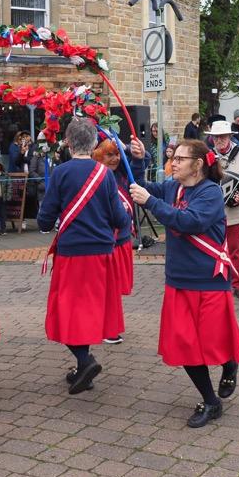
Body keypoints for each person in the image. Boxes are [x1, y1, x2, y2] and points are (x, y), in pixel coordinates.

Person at [129, 139, 239, 428]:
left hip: (208, 280)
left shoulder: (210, 193)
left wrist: (151, 202)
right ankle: (211, 401)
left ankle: (229, 363)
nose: (174, 162)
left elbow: (189, 221)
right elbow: (140, 184)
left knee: (214, 343)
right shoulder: (172, 186)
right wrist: (139, 159)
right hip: (179, 279)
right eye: (173, 157)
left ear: (198, 164)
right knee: (187, 346)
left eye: (180, 158)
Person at [37, 118, 129, 395]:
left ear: (67, 141)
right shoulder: (105, 175)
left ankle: (85, 361)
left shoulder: (61, 173)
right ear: (93, 143)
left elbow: (43, 221)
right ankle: (83, 369)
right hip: (102, 253)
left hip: (72, 252)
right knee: (89, 310)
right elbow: (119, 219)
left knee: (66, 311)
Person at [91, 136, 147, 345]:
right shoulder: (92, 176)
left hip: (121, 239)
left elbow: (138, 170)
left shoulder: (124, 174)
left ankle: (105, 325)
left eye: (116, 154)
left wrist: (134, 153)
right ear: (97, 155)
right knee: (106, 289)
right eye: (109, 154)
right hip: (103, 241)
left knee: (112, 289)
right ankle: (106, 327)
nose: (114, 159)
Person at [208, 120, 239, 299]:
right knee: (214, 249)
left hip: (236, 212)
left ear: (229, 137)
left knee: (235, 250)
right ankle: (217, 282)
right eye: (215, 137)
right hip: (212, 213)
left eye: (222, 136)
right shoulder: (207, 155)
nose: (219, 140)